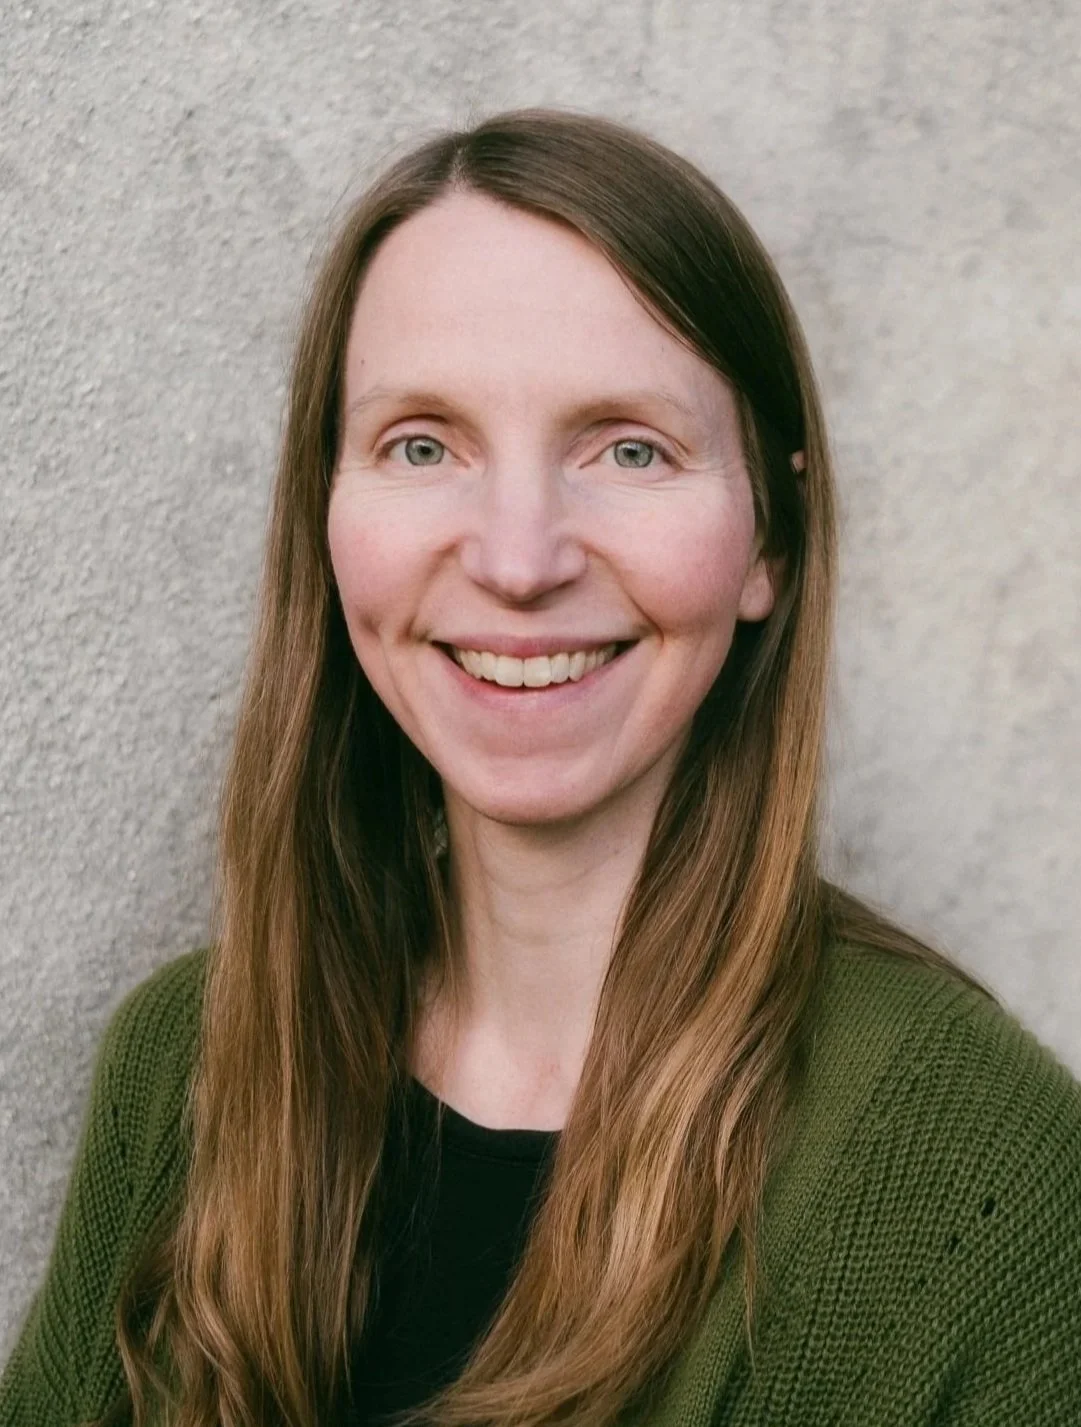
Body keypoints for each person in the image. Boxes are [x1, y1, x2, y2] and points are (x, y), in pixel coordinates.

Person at [2, 106, 1079, 1427]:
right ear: (325, 516)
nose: (519, 559)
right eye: (422, 444)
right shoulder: (186, 1065)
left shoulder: (987, 1178)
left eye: (629, 447)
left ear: (768, 542)